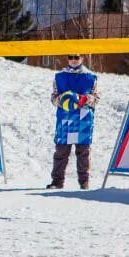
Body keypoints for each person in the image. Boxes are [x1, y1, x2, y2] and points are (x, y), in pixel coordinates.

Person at [47, 53, 99, 190]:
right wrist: (61, 100)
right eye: (71, 57)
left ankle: (84, 182)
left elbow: (97, 97)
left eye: (77, 57)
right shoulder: (59, 76)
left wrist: (86, 99)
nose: (74, 60)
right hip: (65, 119)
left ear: (82, 58)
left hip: (83, 120)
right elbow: (53, 97)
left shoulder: (91, 77)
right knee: (61, 152)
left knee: (83, 152)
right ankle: (57, 182)